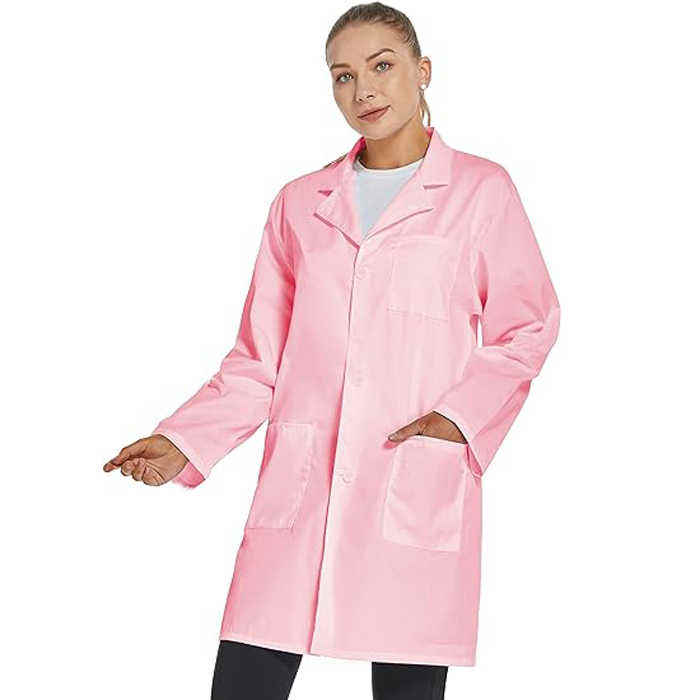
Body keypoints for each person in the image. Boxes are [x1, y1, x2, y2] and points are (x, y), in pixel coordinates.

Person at [103, 3, 560, 698]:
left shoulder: (480, 191)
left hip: (410, 479)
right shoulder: (299, 202)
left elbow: (528, 323)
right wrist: (184, 439)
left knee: (407, 684)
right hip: (303, 484)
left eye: (381, 66)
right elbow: (260, 356)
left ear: (423, 71)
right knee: (246, 676)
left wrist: (458, 419)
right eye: (343, 76)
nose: (363, 90)